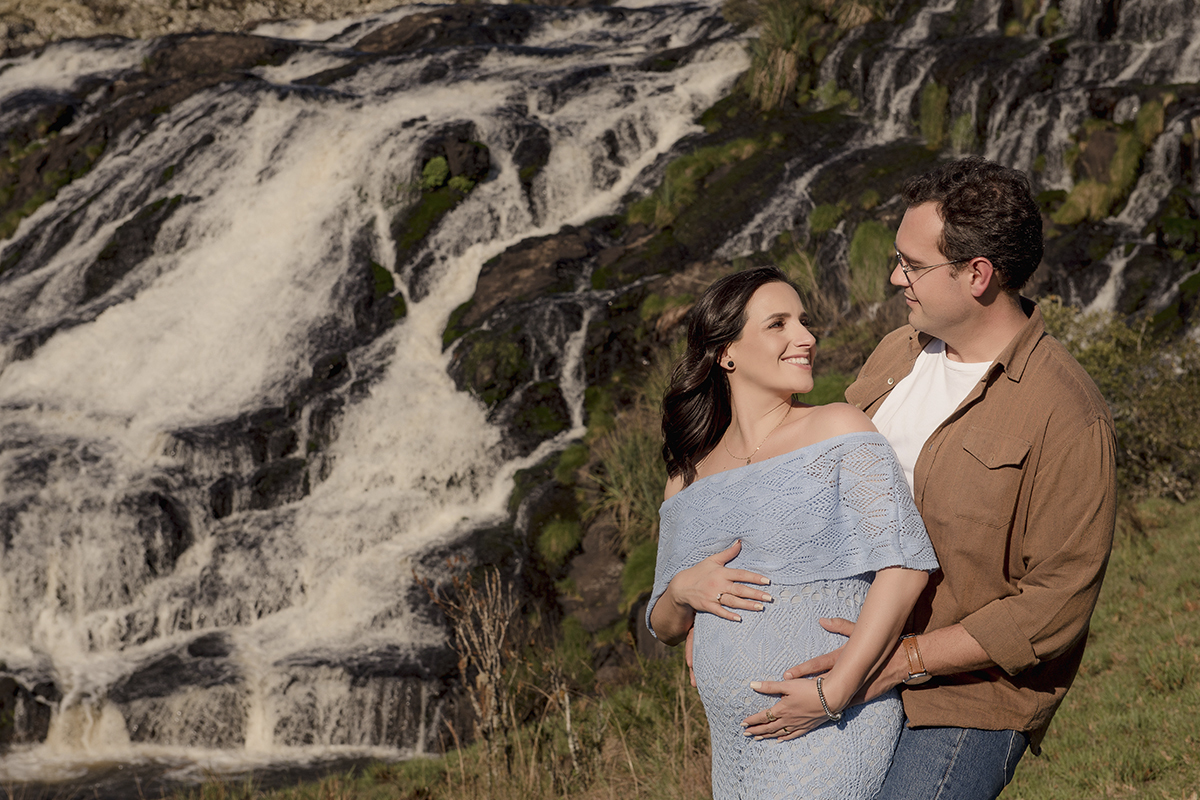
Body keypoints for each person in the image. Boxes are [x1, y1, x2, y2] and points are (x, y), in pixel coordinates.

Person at [752, 157, 1118, 800]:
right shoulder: (896, 353)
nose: (896, 277)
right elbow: (809, 486)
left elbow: (1055, 606)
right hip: (845, 651)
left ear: (977, 274)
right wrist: (695, 592)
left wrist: (904, 660)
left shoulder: (1067, 413)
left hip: (966, 698)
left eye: (912, 265)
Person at [646, 266, 940, 800]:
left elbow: (905, 568)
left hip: (834, 725)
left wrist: (835, 692)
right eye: (778, 324)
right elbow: (664, 625)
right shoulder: (687, 479)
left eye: (803, 322)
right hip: (735, 747)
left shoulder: (839, 428)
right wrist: (684, 590)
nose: (805, 337)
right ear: (726, 353)